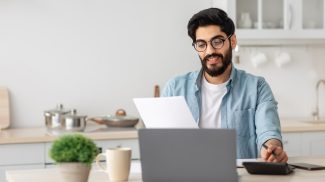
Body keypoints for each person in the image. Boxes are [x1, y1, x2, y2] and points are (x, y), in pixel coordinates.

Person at [162, 8, 288, 162]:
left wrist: (272, 150)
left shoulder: (257, 87)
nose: (210, 51)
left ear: (232, 41)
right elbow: (162, 141)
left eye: (217, 42)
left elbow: (268, 133)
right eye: (201, 44)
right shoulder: (175, 88)